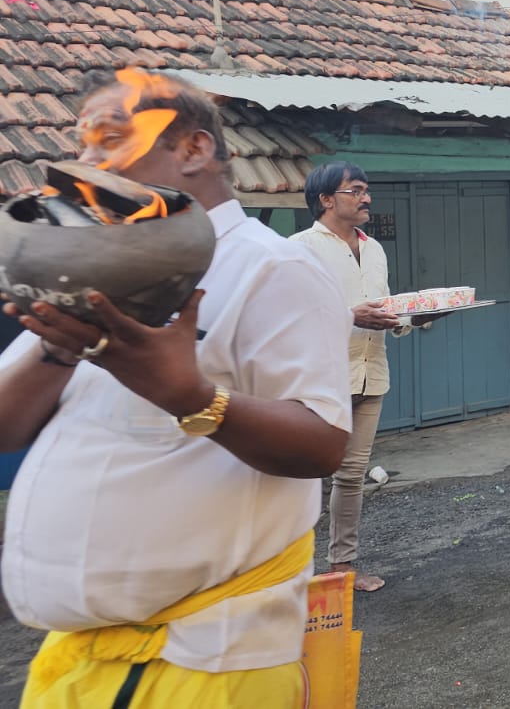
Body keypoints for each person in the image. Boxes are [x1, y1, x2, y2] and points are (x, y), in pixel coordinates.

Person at [0, 69, 350, 705]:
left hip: (205, 667)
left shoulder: (273, 269)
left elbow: (323, 446)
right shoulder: (89, 268)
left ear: (193, 149)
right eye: (83, 143)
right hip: (76, 664)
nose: (86, 161)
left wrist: (189, 396)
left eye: (110, 138)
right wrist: (57, 347)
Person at [290, 161, 413, 593]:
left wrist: (408, 318)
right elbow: (288, 318)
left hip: (371, 373)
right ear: (327, 200)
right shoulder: (299, 249)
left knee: (352, 475)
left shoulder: (374, 249)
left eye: (366, 190)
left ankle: (341, 568)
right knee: (303, 475)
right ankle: (289, 571)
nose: (367, 198)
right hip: (320, 379)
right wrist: (350, 317)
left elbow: (381, 306)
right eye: (356, 191)